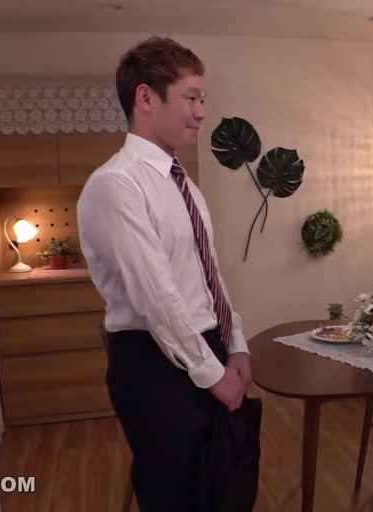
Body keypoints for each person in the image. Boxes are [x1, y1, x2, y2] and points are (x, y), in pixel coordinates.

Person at [77, 36, 255, 512]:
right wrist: (212, 373)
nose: (201, 112)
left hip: (206, 346)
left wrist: (235, 342)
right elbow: (156, 297)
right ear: (146, 97)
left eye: (203, 100)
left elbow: (208, 273)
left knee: (221, 489)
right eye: (190, 98)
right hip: (155, 365)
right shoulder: (116, 185)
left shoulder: (185, 185)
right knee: (176, 498)